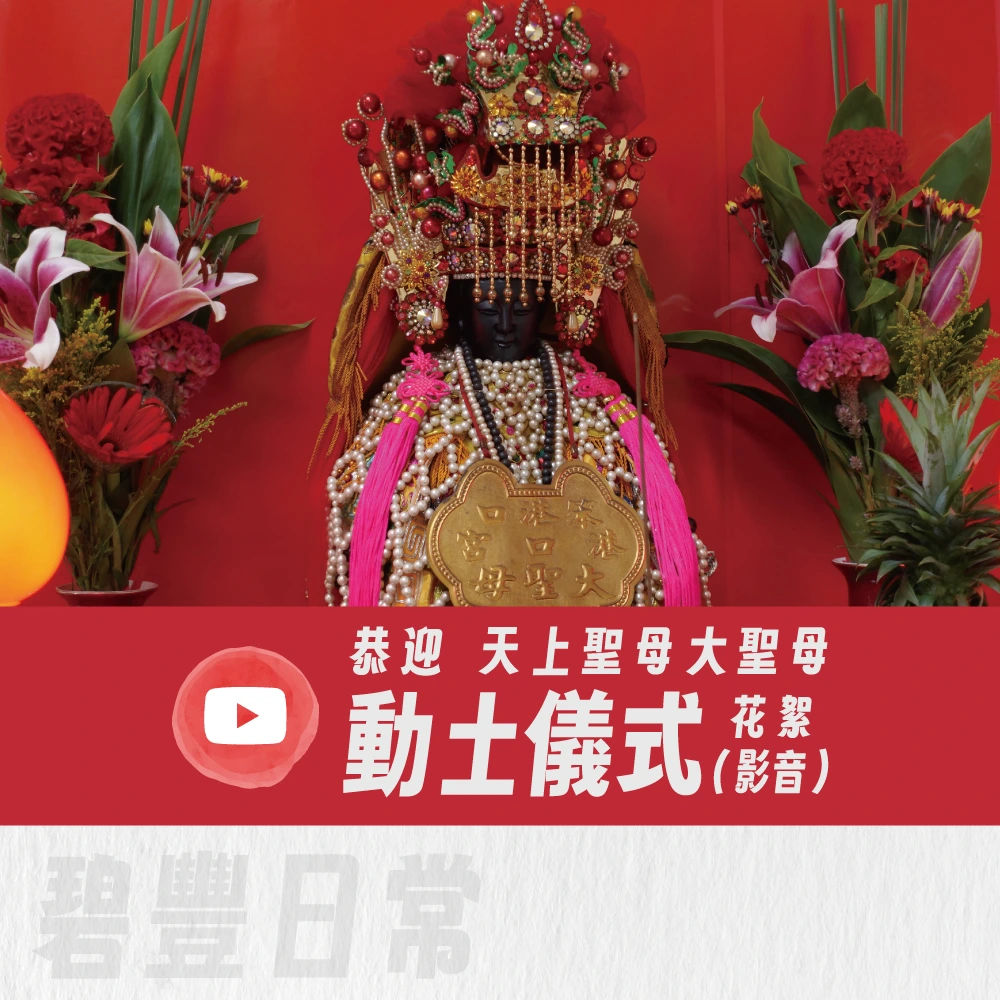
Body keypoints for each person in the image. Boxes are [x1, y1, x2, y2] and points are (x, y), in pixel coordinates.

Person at [317, 0, 716, 607]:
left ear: (549, 304)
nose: (505, 322)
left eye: (523, 304)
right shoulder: (419, 412)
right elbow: (366, 521)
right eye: (487, 303)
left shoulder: (599, 410)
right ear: (456, 306)